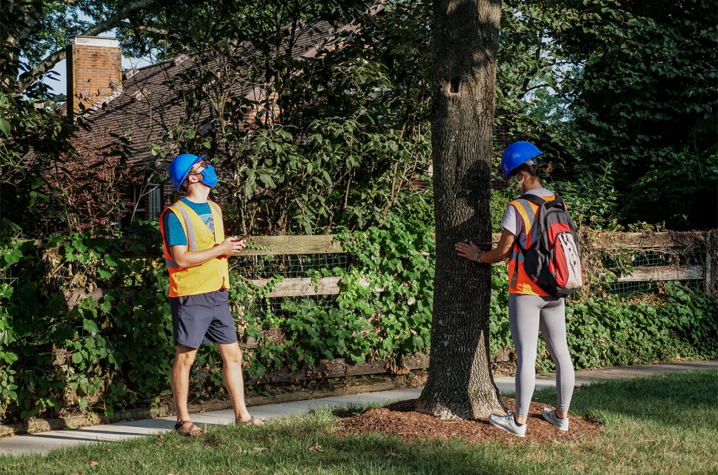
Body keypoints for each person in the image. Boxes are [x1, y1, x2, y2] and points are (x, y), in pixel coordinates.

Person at [455, 142, 575, 437]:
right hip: (555, 286)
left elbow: (501, 253)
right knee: (561, 353)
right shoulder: (558, 202)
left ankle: (518, 422)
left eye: (511, 177)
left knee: (526, 357)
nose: (511, 183)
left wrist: (477, 256)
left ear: (522, 175)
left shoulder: (517, 207)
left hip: (525, 290)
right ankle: (561, 416)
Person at [159, 153, 264, 437]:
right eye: (202, 166)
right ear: (192, 178)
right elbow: (181, 258)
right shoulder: (175, 215)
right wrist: (221, 249)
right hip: (191, 295)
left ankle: (242, 416)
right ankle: (183, 421)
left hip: (218, 292)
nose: (209, 168)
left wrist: (228, 248)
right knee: (186, 358)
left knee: (233, 355)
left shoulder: (214, 208)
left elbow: (215, 247)